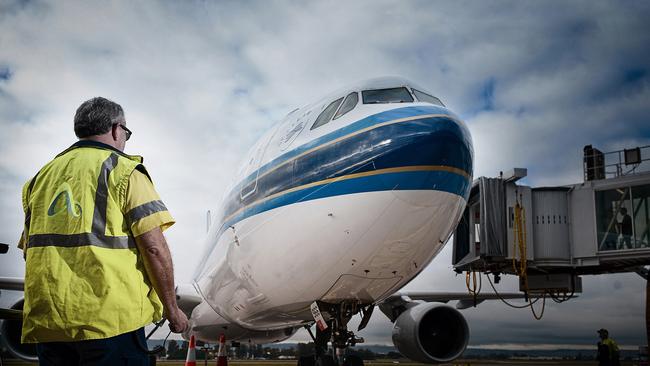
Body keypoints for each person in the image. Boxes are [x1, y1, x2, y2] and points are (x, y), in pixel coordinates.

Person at [18, 97, 188, 365]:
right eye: (126, 133)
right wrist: (172, 310)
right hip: (110, 323)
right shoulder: (125, 171)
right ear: (116, 129)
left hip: (50, 324)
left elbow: (30, 252)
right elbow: (154, 247)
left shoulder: (39, 179)